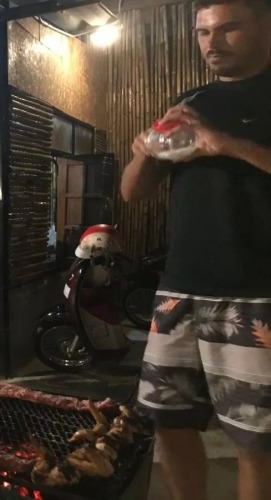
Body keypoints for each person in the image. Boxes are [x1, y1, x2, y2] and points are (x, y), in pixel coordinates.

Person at [120, 1, 271, 499]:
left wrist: (224, 143)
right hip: (179, 287)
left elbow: (219, 146)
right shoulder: (190, 100)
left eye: (229, 29)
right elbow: (132, 192)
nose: (212, 43)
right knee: (168, 420)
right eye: (204, 32)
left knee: (255, 438)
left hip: (256, 291)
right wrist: (144, 152)